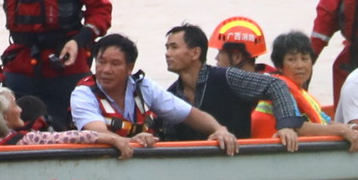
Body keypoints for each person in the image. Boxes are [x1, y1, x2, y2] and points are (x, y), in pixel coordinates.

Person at [72, 32, 236, 160]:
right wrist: (135, 142)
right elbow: (98, 133)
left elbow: (189, 114)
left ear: (130, 68)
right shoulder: (83, 94)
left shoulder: (143, 87)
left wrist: (219, 129)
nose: (106, 70)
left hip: (141, 159)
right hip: (102, 158)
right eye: (101, 62)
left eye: (115, 64)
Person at [162, 22, 318, 147]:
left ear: (195, 53)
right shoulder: (171, 95)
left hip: (237, 161)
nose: (167, 53)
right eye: (167, 48)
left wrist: (286, 126)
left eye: (174, 47)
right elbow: (167, 140)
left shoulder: (227, 77)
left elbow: (275, 85)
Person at [265, 31, 334, 128]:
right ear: (280, 66)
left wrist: (352, 128)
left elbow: (326, 121)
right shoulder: (280, 91)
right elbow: (296, 127)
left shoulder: (305, 95)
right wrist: (341, 131)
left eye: (304, 59)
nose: (300, 66)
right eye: (292, 60)